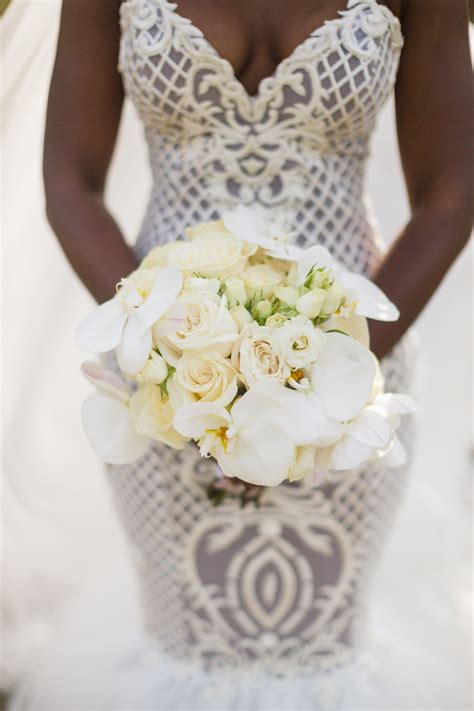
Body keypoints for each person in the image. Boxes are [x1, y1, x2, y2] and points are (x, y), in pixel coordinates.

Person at [41, 1, 472, 708]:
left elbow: (450, 195)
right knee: (185, 639)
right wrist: (163, 356)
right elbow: (69, 182)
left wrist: (330, 385)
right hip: (165, 383)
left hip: (351, 377)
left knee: (324, 649)